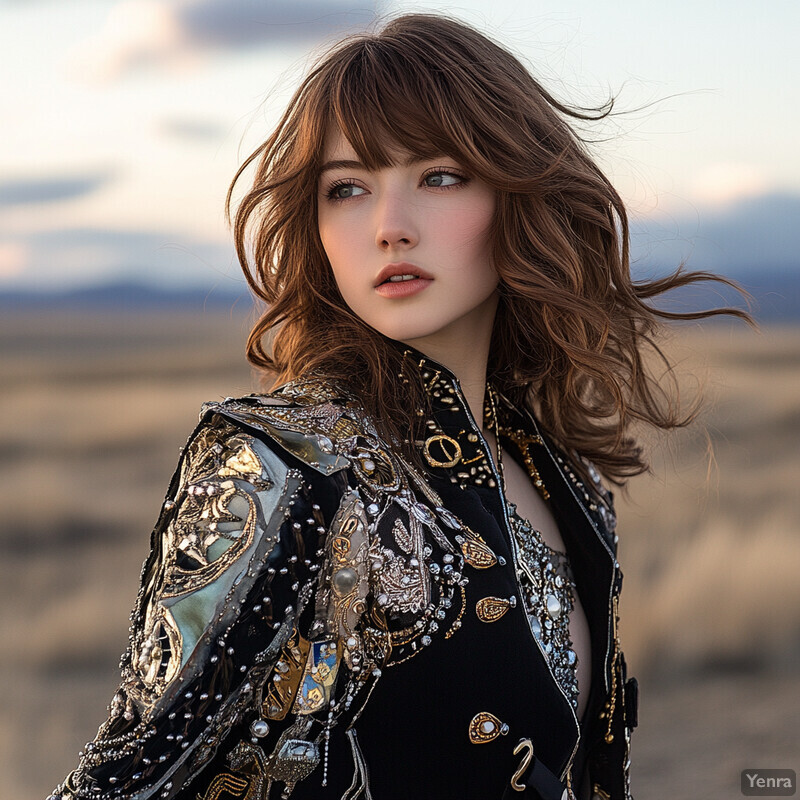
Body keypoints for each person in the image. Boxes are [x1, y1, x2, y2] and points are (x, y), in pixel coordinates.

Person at [49, 13, 750, 800]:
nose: (389, 228)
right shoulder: (277, 466)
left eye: (439, 176)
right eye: (346, 189)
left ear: (518, 189)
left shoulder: (568, 480)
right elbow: (126, 780)